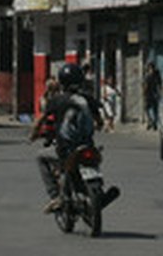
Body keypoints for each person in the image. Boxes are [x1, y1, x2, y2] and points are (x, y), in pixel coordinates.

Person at [30, 63, 103, 213]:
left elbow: (40, 120)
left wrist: (33, 135)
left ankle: (55, 196)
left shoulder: (57, 100)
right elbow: (99, 121)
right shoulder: (88, 99)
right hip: (87, 146)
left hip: (65, 150)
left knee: (40, 157)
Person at [143, 63, 161, 131]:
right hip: (151, 95)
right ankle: (151, 122)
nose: (151, 70)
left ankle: (152, 122)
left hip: (151, 95)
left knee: (152, 109)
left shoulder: (150, 76)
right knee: (149, 109)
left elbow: (146, 86)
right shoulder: (155, 76)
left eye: (151, 68)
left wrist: (144, 93)